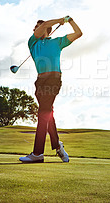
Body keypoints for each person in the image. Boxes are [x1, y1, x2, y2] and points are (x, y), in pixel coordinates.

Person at [19, 16, 82, 163]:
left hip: (53, 80)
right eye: (35, 26)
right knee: (48, 114)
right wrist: (61, 20)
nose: (34, 28)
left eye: (37, 26)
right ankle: (57, 145)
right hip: (40, 82)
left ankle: (37, 153)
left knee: (43, 114)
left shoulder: (57, 42)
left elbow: (78, 33)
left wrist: (70, 21)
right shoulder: (32, 42)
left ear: (47, 31)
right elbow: (47, 24)